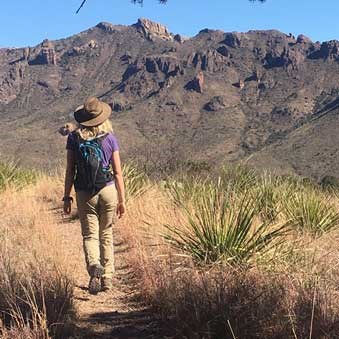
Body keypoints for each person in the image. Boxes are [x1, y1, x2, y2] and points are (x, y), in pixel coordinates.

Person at [63, 96, 126, 295]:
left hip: (84, 192)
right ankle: (107, 277)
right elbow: (117, 172)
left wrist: (66, 196)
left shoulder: (74, 138)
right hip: (107, 190)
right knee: (106, 233)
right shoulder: (110, 138)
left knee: (90, 235)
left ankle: (93, 266)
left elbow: (69, 170)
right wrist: (122, 200)